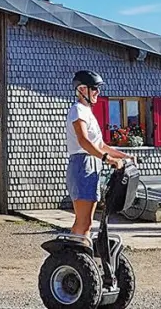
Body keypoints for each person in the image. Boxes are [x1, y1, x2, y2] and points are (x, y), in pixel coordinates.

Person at [65, 70, 134, 246]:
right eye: (94, 88)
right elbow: (84, 141)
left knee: (87, 222)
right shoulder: (77, 110)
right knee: (83, 221)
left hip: (93, 164)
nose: (98, 92)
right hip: (83, 165)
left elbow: (101, 145)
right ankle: (73, 256)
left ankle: (80, 256)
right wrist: (107, 159)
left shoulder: (88, 112)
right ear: (82, 89)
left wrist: (125, 156)